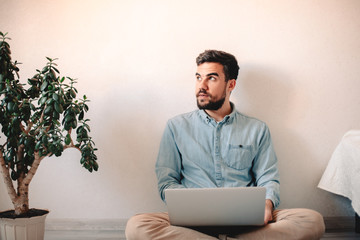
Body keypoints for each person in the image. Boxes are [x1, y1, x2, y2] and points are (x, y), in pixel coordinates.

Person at [126, 50, 325, 240]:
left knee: (311, 221)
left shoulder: (257, 129)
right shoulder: (176, 127)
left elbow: (268, 177)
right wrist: (190, 208)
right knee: (137, 226)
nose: (201, 86)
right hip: (192, 222)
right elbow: (167, 181)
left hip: (247, 221)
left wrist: (266, 205)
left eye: (211, 78)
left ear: (230, 85)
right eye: (198, 77)